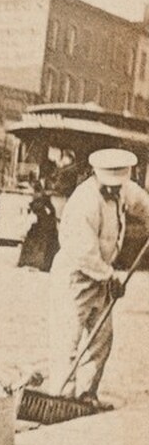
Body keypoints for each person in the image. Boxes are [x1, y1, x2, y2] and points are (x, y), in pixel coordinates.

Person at [47, 148, 149, 406]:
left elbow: (141, 203)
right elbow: (83, 251)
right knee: (67, 337)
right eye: (111, 186)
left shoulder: (123, 189)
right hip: (76, 277)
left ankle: (86, 393)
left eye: (118, 187)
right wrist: (110, 276)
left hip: (103, 278)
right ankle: (61, 396)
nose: (115, 191)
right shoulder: (85, 201)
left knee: (102, 337)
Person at [17, 180, 59, 271]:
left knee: (40, 241)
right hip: (46, 225)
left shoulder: (41, 200)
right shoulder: (45, 200)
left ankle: (35, 262)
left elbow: (41, 212)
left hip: (43, 225)